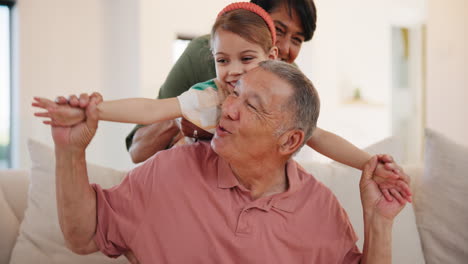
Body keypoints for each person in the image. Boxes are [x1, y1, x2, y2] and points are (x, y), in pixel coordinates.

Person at [34, 2, 411, 200]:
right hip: (199, 193)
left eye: (246, 59)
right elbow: (153, 110)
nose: (232, 71)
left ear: (271, 54)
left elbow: (317, 135)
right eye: (222, 60)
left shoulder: (281, 97)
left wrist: (367, 163)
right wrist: (94, 110)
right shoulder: (209, 95)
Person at [46, 61, 407, 263]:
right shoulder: (168, 172)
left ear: (290, 141)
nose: (228, 109)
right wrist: (70, 151)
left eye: (252, 105)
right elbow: (81, 237)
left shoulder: (321, 210)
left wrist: (378, 222)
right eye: (233, 94)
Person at [124, 0, 317, 164]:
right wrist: (184, 115)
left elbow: (311, 136)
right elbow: (137, 151)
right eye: (279, 30)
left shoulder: (288, 81)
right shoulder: (201, 57)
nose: (284, 48)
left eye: (297, 40)